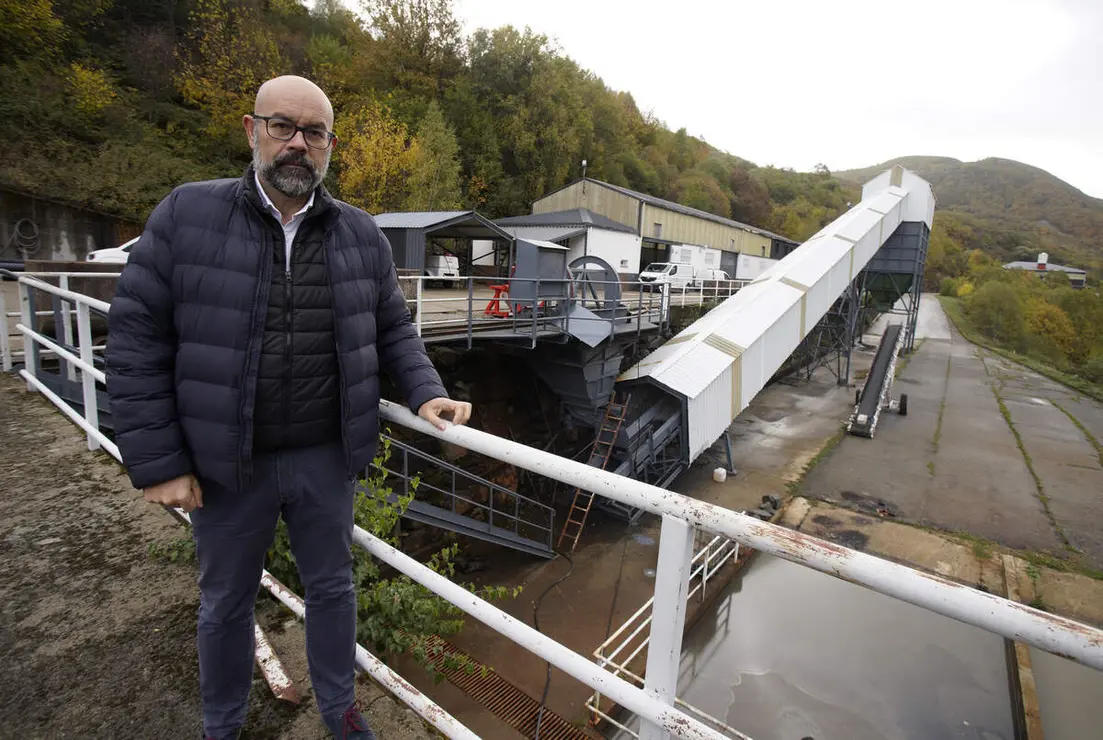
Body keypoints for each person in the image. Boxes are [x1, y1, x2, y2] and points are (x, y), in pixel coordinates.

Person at [105, 75, 472, 740]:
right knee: (223, 603)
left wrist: (424, 390)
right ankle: (222, 725)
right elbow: (135, 339)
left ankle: (341, 712)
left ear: (331, 146)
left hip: (323, 456)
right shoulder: (188, 215)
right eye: (283, 127)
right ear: (252, 131)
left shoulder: (359, 234)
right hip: (224, 462)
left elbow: (392, 329)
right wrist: (159, 460)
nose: (297, 144)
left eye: (314, 133)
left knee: (333, 591)